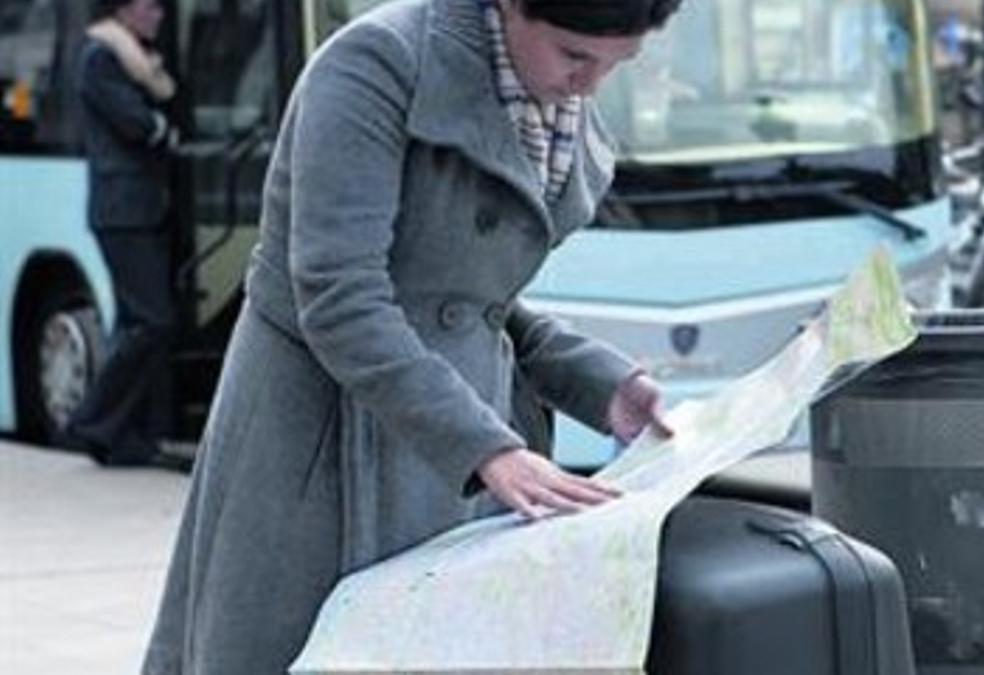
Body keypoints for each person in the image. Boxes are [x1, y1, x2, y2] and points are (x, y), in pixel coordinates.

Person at [141, 0, 683, 672]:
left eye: (617, 64)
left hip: (455, 445)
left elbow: (471, 300)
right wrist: (485, 447)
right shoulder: (376, 65)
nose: (591, 84)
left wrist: (604, 387)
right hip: (316, 438)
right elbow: (340, 296)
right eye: (575, 56)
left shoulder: (555, 101)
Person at [65, 0, 176, 466]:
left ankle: (121, 436)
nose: (158, 16)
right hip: (122, 209)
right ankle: (91, 421)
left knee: (135, 320)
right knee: (153, 320)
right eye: (149, 6)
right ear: (124, 10)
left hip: (141, 208)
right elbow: (133, 122)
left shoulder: (137, 57)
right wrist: (159, 127)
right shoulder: (102, 56)